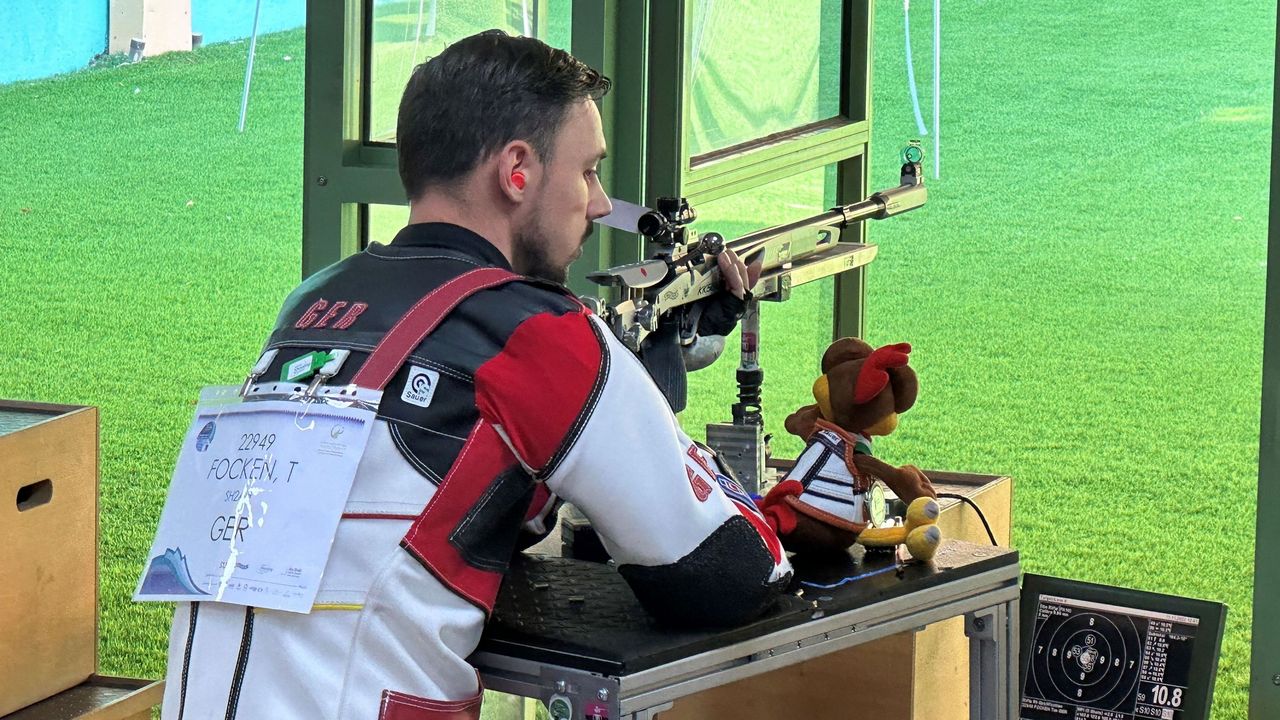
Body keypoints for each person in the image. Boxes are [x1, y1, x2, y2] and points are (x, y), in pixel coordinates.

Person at [159, 30, 791, 720]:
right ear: (517, 170)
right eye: (587, 172)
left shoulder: (313, 303)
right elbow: (724, 574)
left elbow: (434, 502)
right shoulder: (535, 333)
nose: (602, 203)